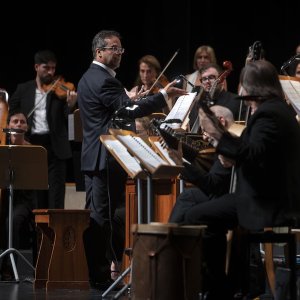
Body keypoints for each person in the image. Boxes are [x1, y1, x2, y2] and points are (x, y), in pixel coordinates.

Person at [76, 30, 186, 290]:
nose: (119, 53)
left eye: (121, 49)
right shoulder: (104, 80)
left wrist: (129, 100)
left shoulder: (87, 77)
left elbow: (116, 108)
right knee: (103, 218)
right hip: (106, 156)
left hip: (94, 156)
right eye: (114, 48)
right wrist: (161, 96)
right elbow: (127, 111)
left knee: (98, 215)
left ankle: (98, 273)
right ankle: (102, 274)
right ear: (99, 51)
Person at [183, 60, 300, 299]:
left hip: (267, 202)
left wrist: (219, 134)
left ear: (253, 88)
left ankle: (220, 288)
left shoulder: (269, 114)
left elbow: (252, 154)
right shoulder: (277, 110)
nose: (242, 92)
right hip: (267, 195)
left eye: (244, 86)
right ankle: (222, 286)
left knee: (196, 216)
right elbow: (259, 153)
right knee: (200, 208)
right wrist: (229, 152)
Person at [8, 49, 77, 209]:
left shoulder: (59, 89)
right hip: (31, 146)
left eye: (53, 68)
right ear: (37, 67)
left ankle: (55, 233)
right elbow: (12, 113)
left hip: (55, 147)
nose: (51, 72)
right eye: (47, 68)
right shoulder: (23, 89)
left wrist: (71, 105)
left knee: (56, 198)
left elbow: (67, 118)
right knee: (35, 198)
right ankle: (36, 233)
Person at [168, 105, 235, 224]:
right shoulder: (226, 141)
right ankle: (170, 236)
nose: (204, 137)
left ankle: (170, 238)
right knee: (188, 196)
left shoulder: (229, 144)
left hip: (230, 197)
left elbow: (213, 185)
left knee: (191, 211)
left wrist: (181, 164)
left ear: (221, 121)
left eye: (205, 130)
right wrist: (182, 164)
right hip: (221, 192)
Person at [0, 111, 36, 281]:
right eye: (15, 121)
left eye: (23, 122)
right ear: (8, 126)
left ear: (27, 127)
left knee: (12, 220)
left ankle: (8, 265)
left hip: (23, 200)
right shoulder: (2, 149)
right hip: (4, 197)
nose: (19, 124)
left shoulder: (32, 151)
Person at [188, 63, 242, 132]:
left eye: (211, 77)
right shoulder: (198, 104)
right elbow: (191, 126)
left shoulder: (236, 101)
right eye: (204, 79)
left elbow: (240, 130)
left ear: (221, 79)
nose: (207, 81)